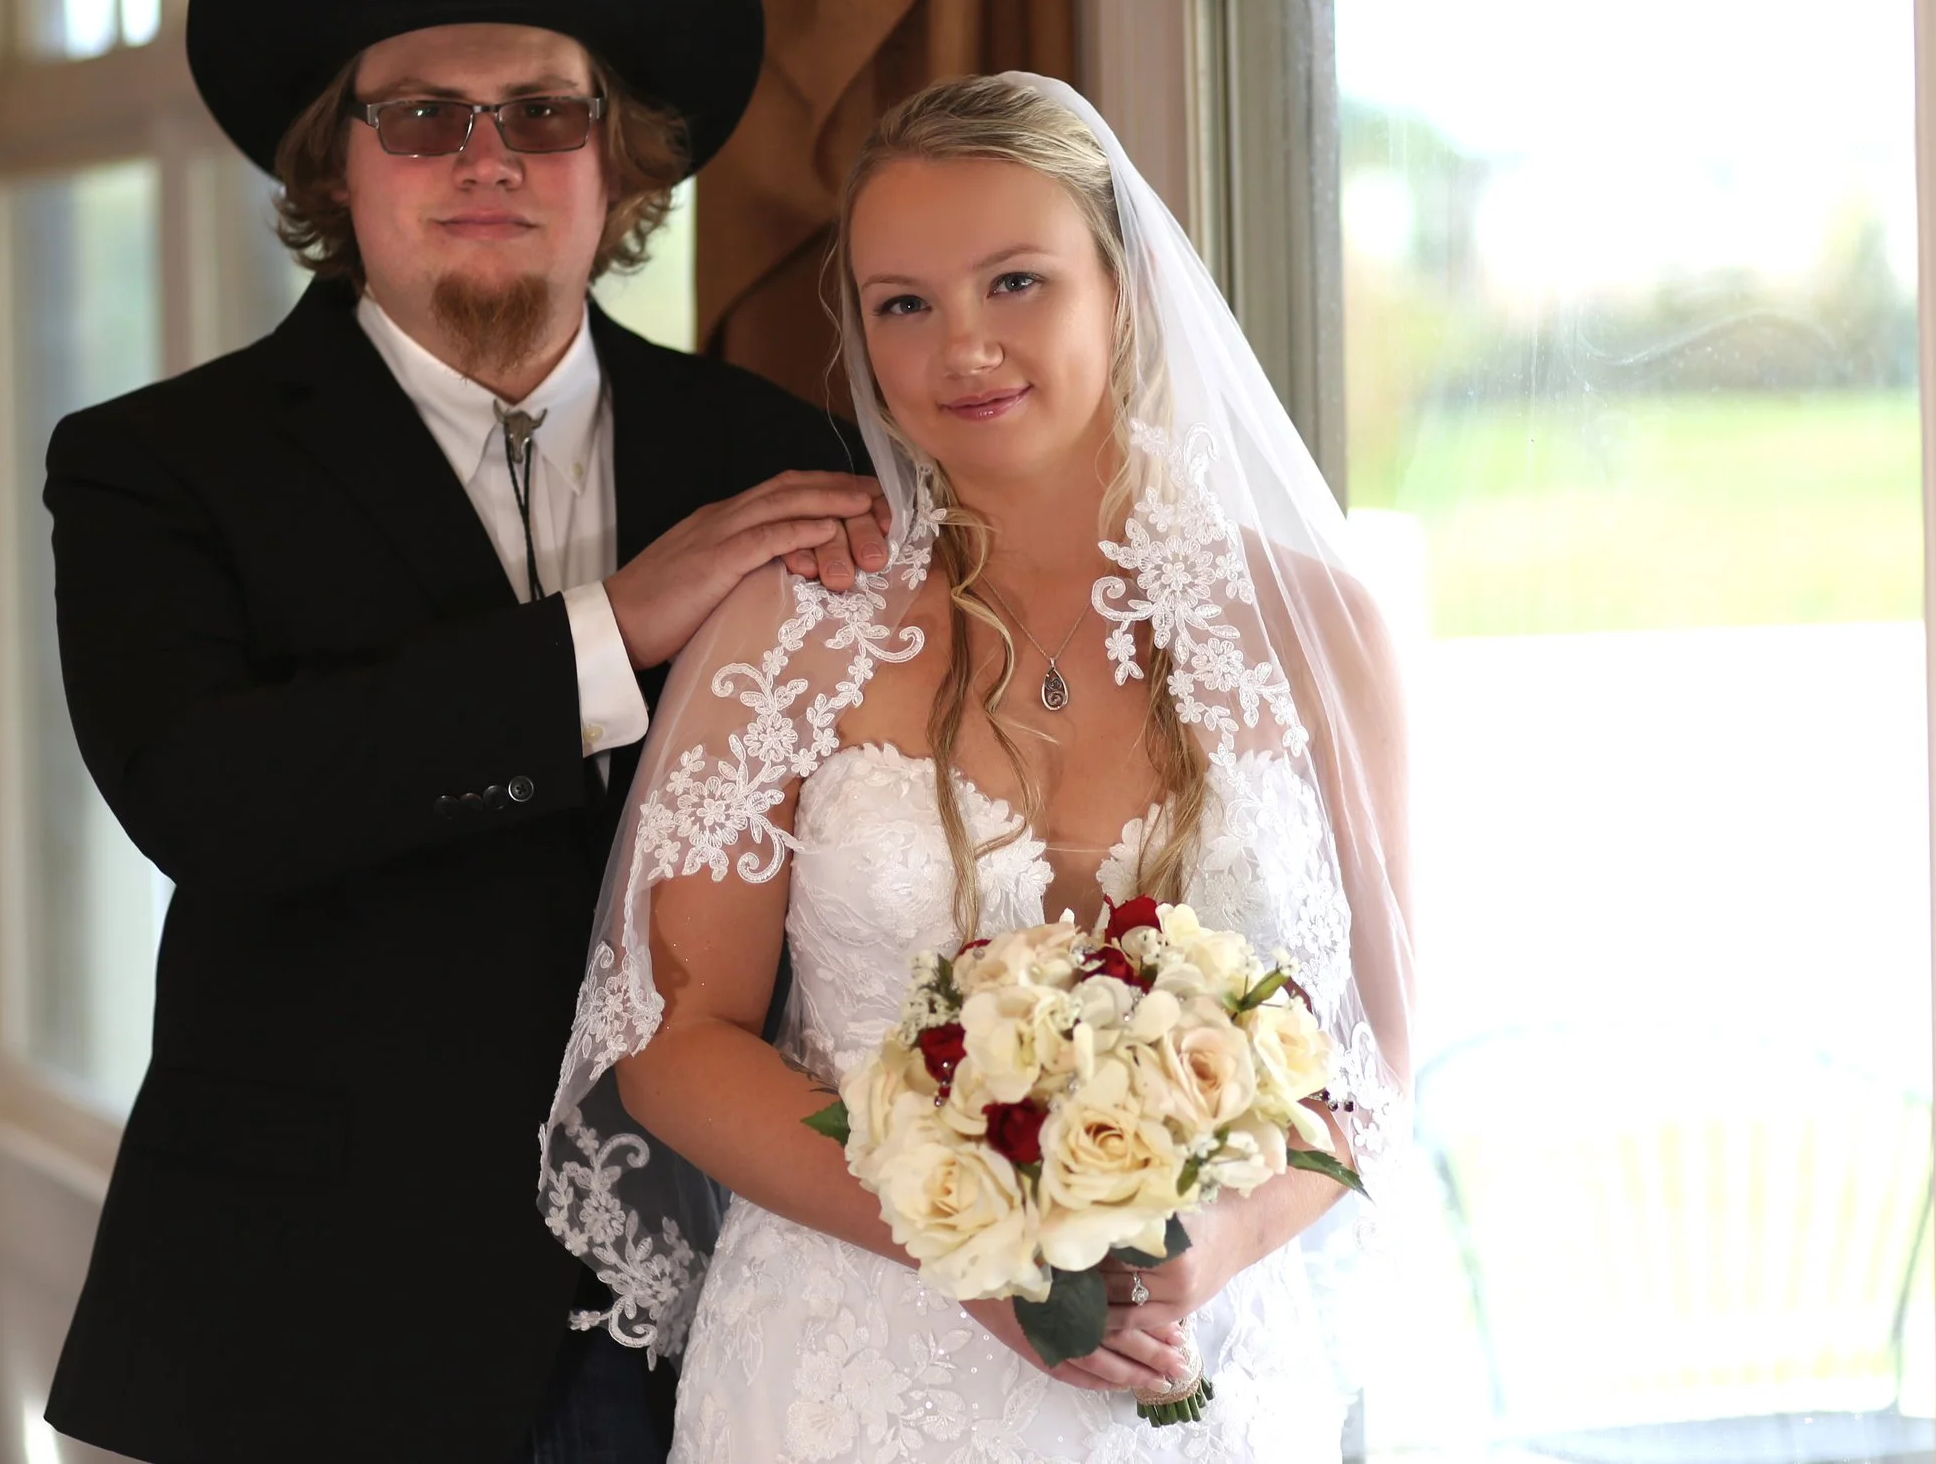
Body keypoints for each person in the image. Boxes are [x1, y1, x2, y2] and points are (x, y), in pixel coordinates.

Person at [41, 0, 886, 1464]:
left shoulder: (778, 454)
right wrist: (612, 631)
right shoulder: (153, 463)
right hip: (303, 1328)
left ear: (616, 159)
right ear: (334, 163)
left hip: (728, 1320)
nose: (485, 156)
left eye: (544, 112)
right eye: (420, 113)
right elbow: (213, 801)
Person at [540, 73, 1417, 1461]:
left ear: (1121, 284)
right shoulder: (794, 625)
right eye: (904, 303)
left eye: (1016, 282)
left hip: (1203, 1380)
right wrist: (973, 1241)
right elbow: (670, 1042)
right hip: (850, 1377)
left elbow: (1372, 1044)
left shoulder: (1316, 631)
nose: (964, 348)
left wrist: (1224, 1236)